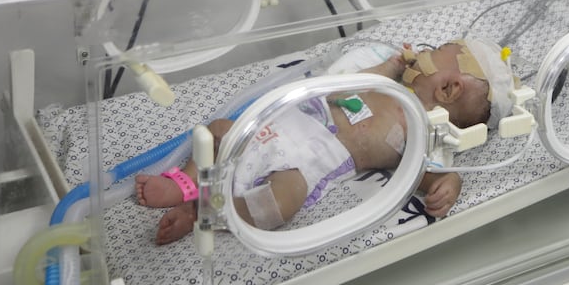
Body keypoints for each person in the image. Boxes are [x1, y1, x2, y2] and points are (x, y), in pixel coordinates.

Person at [134, 38, 517, 245]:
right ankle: (180, 184)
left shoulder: (415, 127)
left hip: (307, 162)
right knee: (219, 130)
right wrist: (390, 66)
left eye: (433, 54)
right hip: (286, 120)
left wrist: (449, 182)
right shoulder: (386, 82)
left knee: (281, 203)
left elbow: (422, 170)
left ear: (449, 87)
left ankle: (205, 211)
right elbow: (346, 82)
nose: (422, 53)